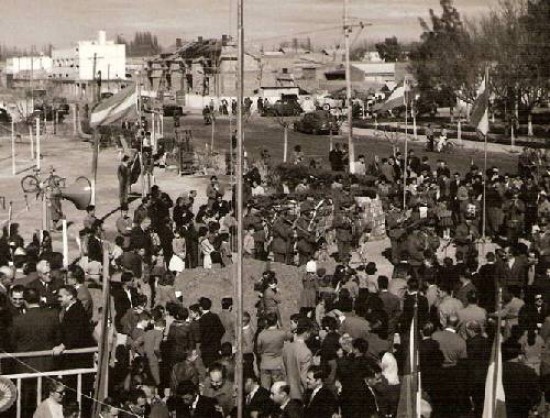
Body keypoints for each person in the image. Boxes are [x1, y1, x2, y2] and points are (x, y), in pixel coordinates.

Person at [282, 318, 313, 401]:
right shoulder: (306, 352)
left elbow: (283, 369)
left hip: (287, 390)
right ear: (307, 333)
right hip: (299, 392)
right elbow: (304, 376)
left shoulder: (286, 347)